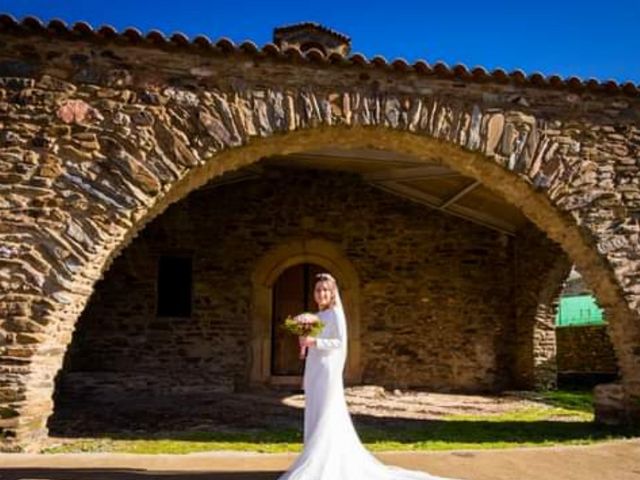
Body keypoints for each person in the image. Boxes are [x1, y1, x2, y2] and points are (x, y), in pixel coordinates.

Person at [277, 272, 464, 480]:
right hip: (315, 369)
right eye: (318, 290)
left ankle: (324, 462)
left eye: (325, 290)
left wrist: (315, 342)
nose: (321, 294)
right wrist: (305, 339)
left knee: (326, 413)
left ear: (332, 293)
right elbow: (315, 340)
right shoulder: (319, 316)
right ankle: (311, 455)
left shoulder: (336, 314)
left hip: (327, 370)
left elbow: (339, 343)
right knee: (314, 412)